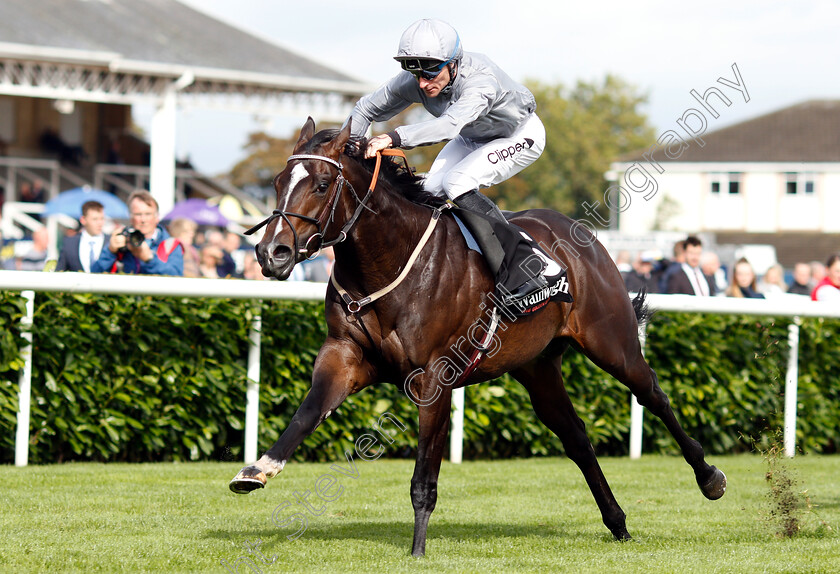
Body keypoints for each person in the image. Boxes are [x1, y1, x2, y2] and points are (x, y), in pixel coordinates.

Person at [348, 18, 559, 311]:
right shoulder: (419, 80)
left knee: (457, 182)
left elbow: (449, 126)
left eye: (431, 71)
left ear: (454, 63)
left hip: (519, 135)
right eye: (414, 71)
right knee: (429, 191)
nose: (422, 82)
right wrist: (350, 151)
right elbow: (365, 108)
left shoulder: (480, 81)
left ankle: (532, 262)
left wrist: (393, 137)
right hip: (472, 136)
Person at [92, 190, 183, 275]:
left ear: (157, 217)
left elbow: (177, 277)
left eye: (148, 214)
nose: (143, 220)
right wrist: (110, 251)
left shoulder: (170, 245)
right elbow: (94, 274)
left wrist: (149, 259)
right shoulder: (121, 240)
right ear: (130, 218)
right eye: (138, 214)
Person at [56, 200, 109, 272]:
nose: (100, 223)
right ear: (83, 220)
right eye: (95, 219)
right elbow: (60, 271)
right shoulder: (69, 243)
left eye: (102, 218)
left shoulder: (110, 242)